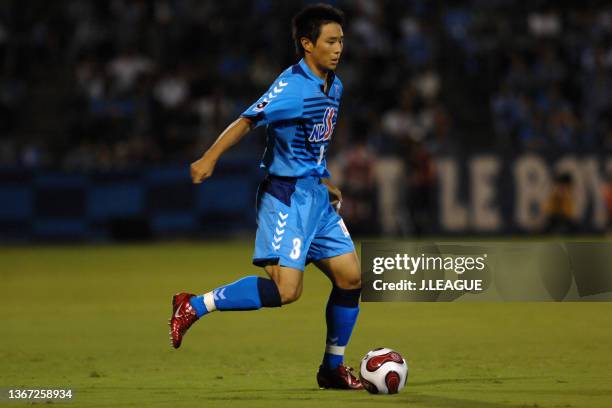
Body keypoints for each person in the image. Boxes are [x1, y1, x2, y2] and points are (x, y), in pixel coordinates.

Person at [169, 4, 363, 390]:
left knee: (351, 277)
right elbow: (247, 120)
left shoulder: (334, 85)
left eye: (341, 40)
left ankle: (331, 369)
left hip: (315, 197)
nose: (338, 48)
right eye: (330, 41)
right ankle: (193, 305)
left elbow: (312, 143)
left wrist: (324, 179)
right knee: (287, 291)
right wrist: (209, 158)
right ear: (307, 44)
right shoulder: (292, 88)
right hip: (286, 198)